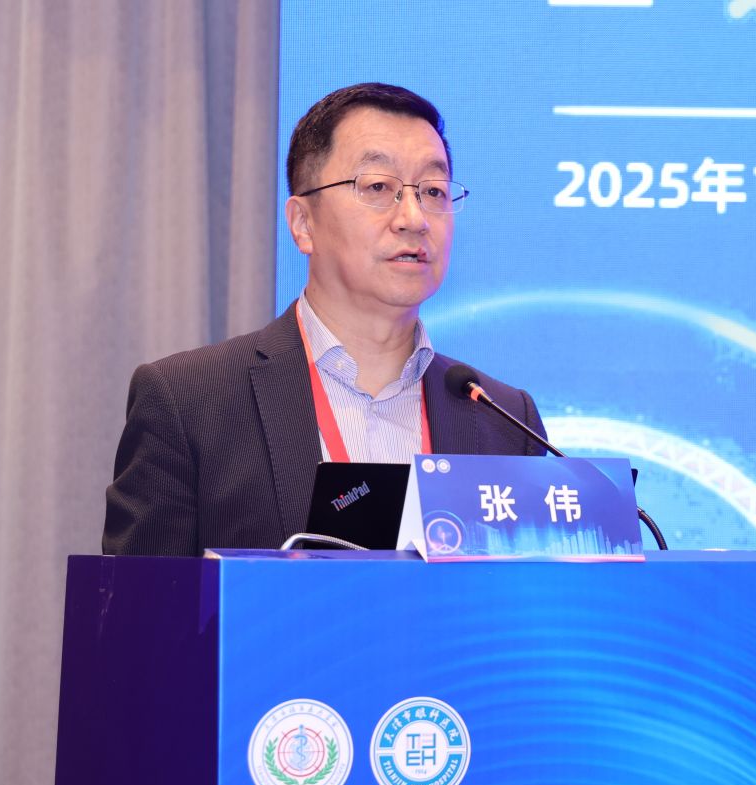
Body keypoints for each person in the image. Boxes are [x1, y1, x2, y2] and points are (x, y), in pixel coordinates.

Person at [102, 83, 546, 556]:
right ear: (303, 224)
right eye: (378, 187)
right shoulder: (189, 402)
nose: (414, 217)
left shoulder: (505, 421)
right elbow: (141, 602)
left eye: (433, 191)